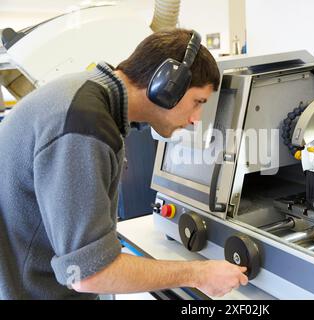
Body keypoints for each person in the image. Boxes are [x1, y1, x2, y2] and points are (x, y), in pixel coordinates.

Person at [0, 28, 248, 300]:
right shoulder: (84, 124)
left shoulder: (87, 96)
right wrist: (198, 273)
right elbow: (89, 273)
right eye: (197, 102)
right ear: (168, 85)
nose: (196, 119)